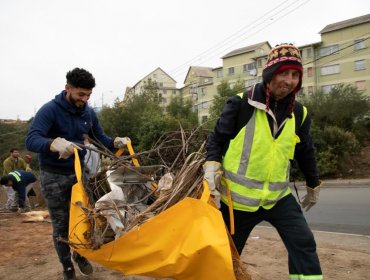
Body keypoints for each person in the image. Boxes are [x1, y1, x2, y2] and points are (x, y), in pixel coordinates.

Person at [203, 44, 323, 279]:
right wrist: (212, 166)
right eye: (284, 73)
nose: (289, 81)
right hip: (238, 203)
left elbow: (305, 150)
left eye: (295, 75)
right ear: (270, 74)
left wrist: (313, 183)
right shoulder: (240, 104)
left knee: (304, 244)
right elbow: (217, 138)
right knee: (225, 256)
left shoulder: (299, 113)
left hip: (278, 198)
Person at [26, 67, 130, 280]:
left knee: (84, 218)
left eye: (88, 95)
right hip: (53, 176)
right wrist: (52, 143)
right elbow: (32, 139)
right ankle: (67, 268)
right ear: (68, 89)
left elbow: (99, 137)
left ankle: (79, 253)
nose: (84, 99)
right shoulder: (50, 110)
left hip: (79, 174)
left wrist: (115, 142)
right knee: (62, 225)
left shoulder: (88, 113)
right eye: (80, 94)